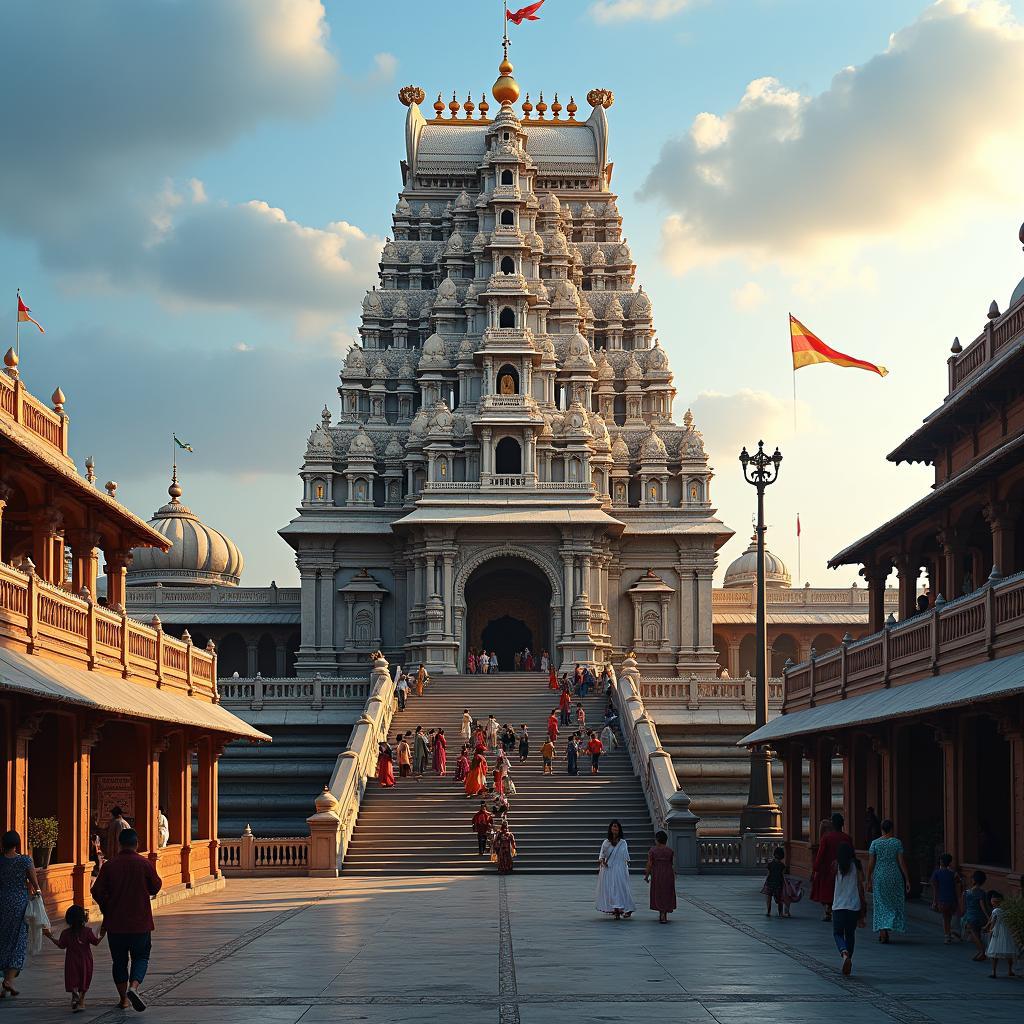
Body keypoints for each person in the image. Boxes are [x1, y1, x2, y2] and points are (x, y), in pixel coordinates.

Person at [92, 827, 162, 1012]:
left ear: (119, 844)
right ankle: (134, 987)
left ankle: (123, 999)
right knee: (141, 957)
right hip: (140, 922)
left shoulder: (110, 865)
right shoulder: (144, 863)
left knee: (119, 961)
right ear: (137, 844)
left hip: (116, 924)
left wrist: (107, 906)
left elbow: (96, 891)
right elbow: (156, 887)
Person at [0, 831, 42, 998]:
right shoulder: (24, 860)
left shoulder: (0, 861)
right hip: (19, 904)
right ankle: (9, 980)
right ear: (17, 844)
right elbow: (34, 881)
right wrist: (38, 893)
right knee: (18, 940)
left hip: (2, 902)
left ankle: (6, 985)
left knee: (3, 939)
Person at [43, 904, 102, 1013]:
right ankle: (81, 1000)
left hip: (71, 960)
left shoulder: (65, 933)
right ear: (83, 918)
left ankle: (74, 994)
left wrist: (50, 936)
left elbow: (61, 945)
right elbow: (96, 942)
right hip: (86, 960)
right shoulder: (87, 931)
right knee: (84, 979)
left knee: (73, 979)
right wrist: (103, 933)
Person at [866, 818, 909, 942]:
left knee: (880, 904)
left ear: (881, 829)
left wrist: (868, 879)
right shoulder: (897, 843)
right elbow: (901, 862)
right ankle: (888, 924)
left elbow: (871, 864)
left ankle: (883, 931)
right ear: (891, 829)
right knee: (893, 903)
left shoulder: (875, 843)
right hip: (895, 876)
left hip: (879, 875)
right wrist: (907, 879)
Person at [831, 842, 867, 976]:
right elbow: (861, 884)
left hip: (838, 905)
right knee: (850, 934)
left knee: (838, 933)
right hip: (854, 905)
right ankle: (849, 958)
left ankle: (844, 954)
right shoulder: (857, 866)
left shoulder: (836, 865)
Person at [812, 813, 853, 922]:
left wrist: (816, 868)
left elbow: (820, 855)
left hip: (827, 869)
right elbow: (852, 855)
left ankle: (828, 911)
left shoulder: (827, 838)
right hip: (844, 869)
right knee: (840, 890)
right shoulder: (847, 838)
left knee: (827, 891)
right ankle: (836, 910)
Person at [596, 820, 635, 919]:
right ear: (610, 828)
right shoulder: (606, 842)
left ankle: (625, 908)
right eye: (613, 826)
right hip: (609, 869)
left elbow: (626, 857)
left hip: (620, 869)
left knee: (621, 889)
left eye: (617, 827)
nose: (615, 829)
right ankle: (616, 909)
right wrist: (602, 861)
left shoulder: (623, 843)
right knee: (611, 890)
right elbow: (601, 855)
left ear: (619, 829)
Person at [644, 831, 677, 924]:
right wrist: (674, 875)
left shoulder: (652, 850)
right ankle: (664, 913)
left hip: (657, 873)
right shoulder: (670, 851)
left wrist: (646, 876)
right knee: (667, 892)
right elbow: (672, 864)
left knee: (658, 892)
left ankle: (661, 912)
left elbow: (650, 864)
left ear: (657, 840)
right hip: (668, 873)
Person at [983, 891, 1016, 978]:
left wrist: (989, 929)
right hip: (1006, 932)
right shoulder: (1006, 910)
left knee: (994, 953)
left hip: (997, 932)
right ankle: (1010, 970)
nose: (992, 903)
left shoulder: (996, 910)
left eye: (993, 902)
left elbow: (992, 921)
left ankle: (994, 972)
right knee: (1009, 952)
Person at [930, 853, 961, 943]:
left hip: (942, 899)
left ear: (941, 861)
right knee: (950, 917)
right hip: (952, 899)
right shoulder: (953, 873)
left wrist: (934, 901)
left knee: (945, 917)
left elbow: (935, 888)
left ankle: (947, 936)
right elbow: (958, 884)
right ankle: (950, 933)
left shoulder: (937, 873)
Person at [961, 870, 991, 961]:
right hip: (979, 916)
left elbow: (964, 906)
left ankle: (982, 951)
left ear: (974, 880)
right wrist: (988, 917)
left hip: (971, 916)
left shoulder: (967, 892)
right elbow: (983, 907)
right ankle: (980, 952)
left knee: (975, 935)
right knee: (977, 935)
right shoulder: (982, 893)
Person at [810, 818, 834, 914]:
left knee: (824, 891)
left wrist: (815, 868)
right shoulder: (840, 837)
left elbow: (820, 854)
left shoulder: (825, 838)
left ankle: (827, 909)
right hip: (835, 868)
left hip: (824, 869)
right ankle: (830, 909)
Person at [763, 847, 790, 918]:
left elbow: (768, 874)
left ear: (774, 854)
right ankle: (780, 913)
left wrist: (766, 881)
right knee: (779, 899)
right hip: (778, 883)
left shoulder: (770, 864)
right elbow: (782, 875)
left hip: (770, 882)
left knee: (769, 897)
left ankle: (768, 912)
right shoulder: (782, 866)